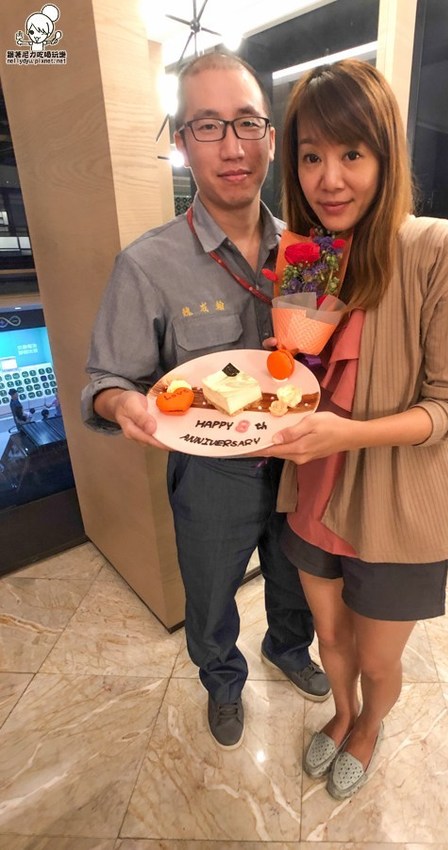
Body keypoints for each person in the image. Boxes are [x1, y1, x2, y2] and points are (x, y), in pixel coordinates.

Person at [81, 51, 329, 750]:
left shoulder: (310, 253)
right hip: (210, 473)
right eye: (208, 125)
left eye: (247, 123)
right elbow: (105, 379)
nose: (232, 147)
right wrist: (122, 406)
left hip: (300, 461)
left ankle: (287, 647)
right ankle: (222, 680)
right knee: (212, 590)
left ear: (270, 138)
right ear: (182, 141)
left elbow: (318, 355)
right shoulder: (148, 263)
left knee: (295, 576)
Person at [261, 59, 448, 799]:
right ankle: (341, 712)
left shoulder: (437, 249)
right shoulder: (309, 256)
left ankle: (368, 725)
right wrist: (277, 383)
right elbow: (298, 370)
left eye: (352, 154)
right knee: (330, 637)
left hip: (397, 508)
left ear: (386, 156)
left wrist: (344, 434)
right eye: (311, 157)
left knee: (378, 655)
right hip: (315, 492)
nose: (329, 179)